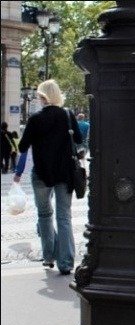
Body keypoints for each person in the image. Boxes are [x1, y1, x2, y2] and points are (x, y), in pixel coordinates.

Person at [13, 79, 83, 275]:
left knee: (44, 215)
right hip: (65, 174)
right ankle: (66, 263)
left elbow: (22, 147)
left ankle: (49, 256)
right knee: (64, 217)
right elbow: (78, 139)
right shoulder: (67, 115)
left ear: (42, 96)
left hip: (42, 174)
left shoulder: (35, 119)